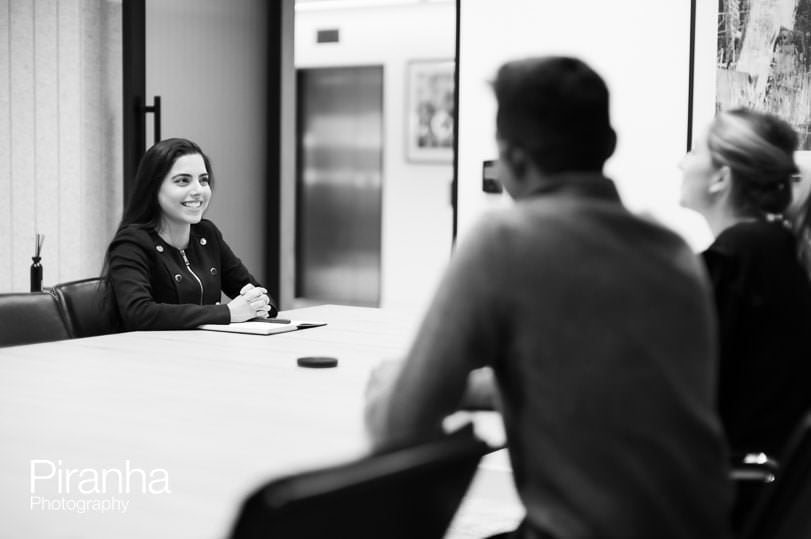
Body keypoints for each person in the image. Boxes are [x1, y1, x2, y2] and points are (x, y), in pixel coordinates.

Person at [365, 57, 731, 539]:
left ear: (512, 161)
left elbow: (398, 426)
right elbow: (595, 381)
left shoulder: (504, 241)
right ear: (610, 144)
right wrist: (477, 389)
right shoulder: (674, 252)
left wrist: (390, 383)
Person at [679, 108, 811, 458]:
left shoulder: (737, 258)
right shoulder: (773, 248)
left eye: (694, 151)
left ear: (721, 179)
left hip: (732, 476)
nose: (681, 163)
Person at [104, 138, 277, 331]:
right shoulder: (130, 244)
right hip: (150, 348)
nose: (198, 190)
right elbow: (139, 313)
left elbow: (261, 295)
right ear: (153, 188)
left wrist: (258, 303)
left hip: (204, 346)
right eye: (183, 181)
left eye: (203, 180)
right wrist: (228, 312)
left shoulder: (207, 234)